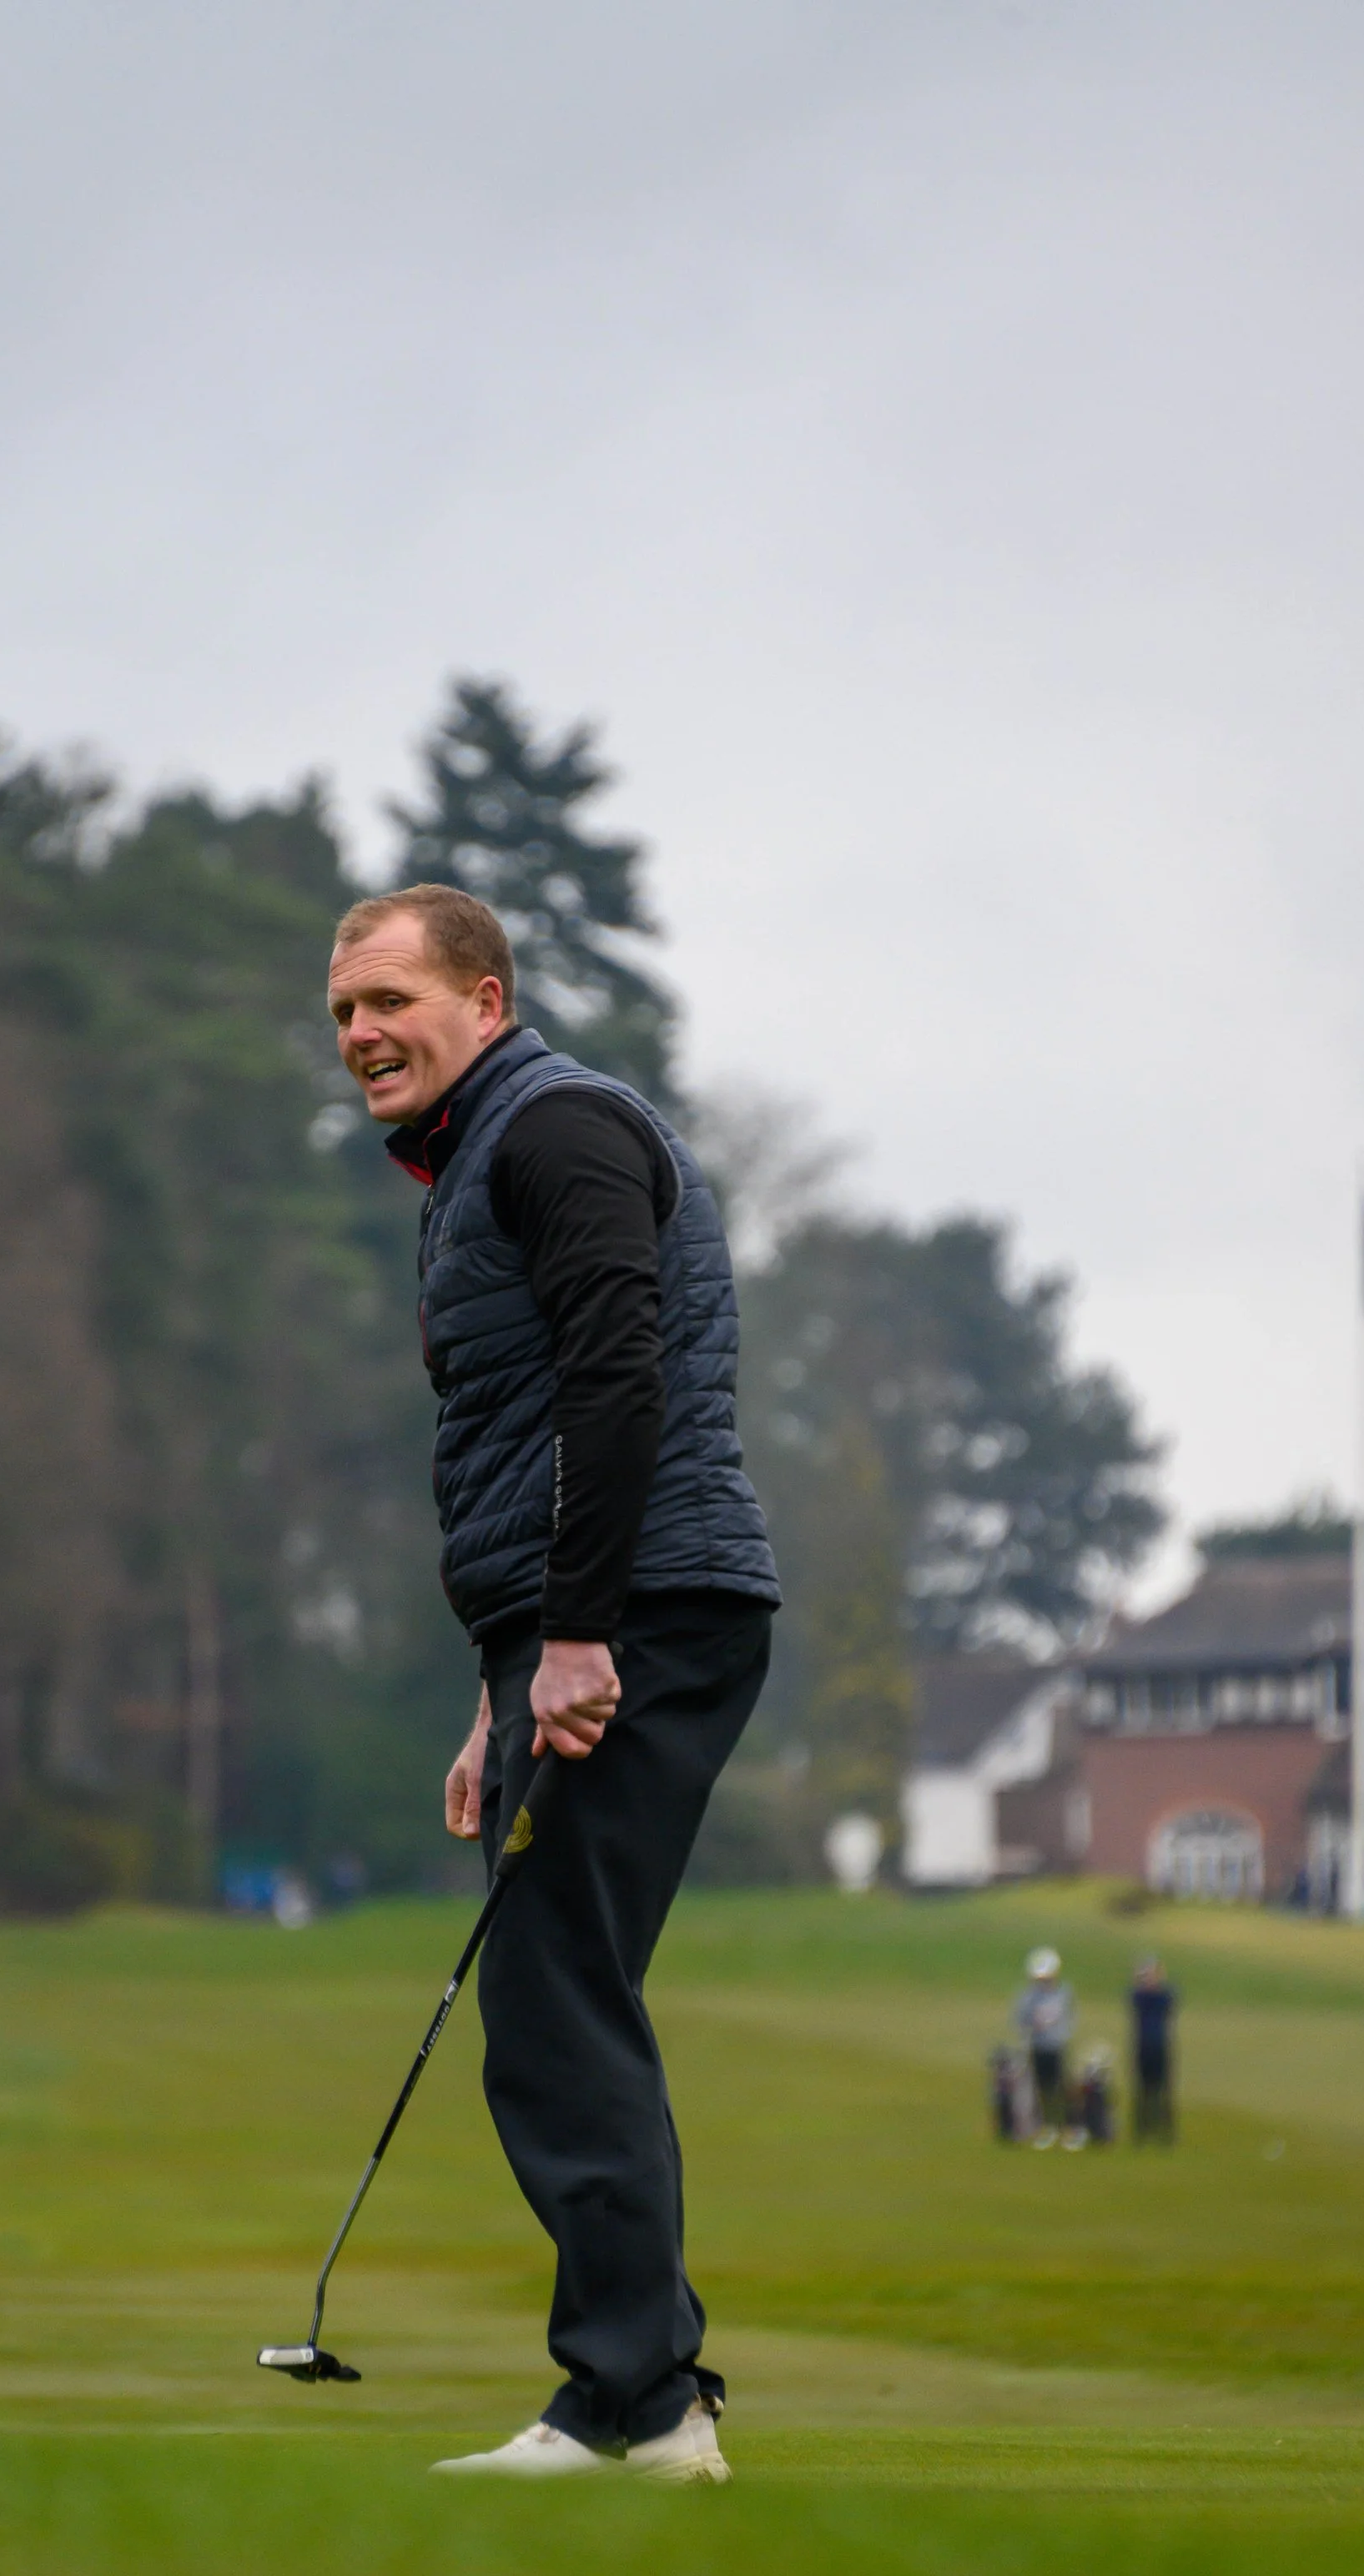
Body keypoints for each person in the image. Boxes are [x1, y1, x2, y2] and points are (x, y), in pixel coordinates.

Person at [328, 886, 779, 2484]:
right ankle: (640, 2397)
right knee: (555, 1999)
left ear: (488, 1001)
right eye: (344, 1012)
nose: (362, 1032)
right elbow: (522, 1445)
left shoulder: (558, 1129)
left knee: (552, 2001)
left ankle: (641, 2406)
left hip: (642, 1611)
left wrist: (575, 1638)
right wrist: (498, 1685)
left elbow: (615, 1376)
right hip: (591, 1621)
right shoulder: (482, 1156)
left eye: (391, 999)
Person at [1013, 1946, 1074, 2129]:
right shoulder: (1029, 1997)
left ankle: (1063, 2123)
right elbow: (1021, 2019)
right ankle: (1044, 2124)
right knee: (1040, 2089)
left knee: (1060, 2087)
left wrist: (1062, 2035)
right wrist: (1031, 2027)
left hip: (1056, 2046)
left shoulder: (1063, 1994)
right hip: (1037, 2045)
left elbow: (1069, 2018)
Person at [1130, 1958, 1177, 2142]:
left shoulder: (1164, 1996)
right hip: (1142, 2047)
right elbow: (1133, 1997)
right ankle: (1143, 2129)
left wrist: (1158, 1983)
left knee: (1163, 2090)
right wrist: (1140, 1982)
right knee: (1143, 2090)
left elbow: (1170, 1999)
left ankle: (1165, 2130)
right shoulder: (1139, 1997)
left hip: (1161, 2047)